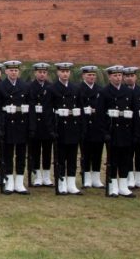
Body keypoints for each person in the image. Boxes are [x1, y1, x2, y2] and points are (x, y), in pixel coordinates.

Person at [0, 60, 30, 195]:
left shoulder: (25, 86)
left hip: (21, 124)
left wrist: (30, 126)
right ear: (6, 71)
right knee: (7, 155)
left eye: (16, 70)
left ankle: (19, 182)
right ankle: (8, 181)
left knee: (21, 154)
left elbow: (29, 108)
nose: (13, 73)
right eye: (11, 70)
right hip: (7, 124)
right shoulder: (0, 87)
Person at [101, 65, 138, 198]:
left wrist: (135, 132)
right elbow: (101, 115)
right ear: (110, 77)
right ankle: (113, 185)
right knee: (113, 160)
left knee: (126, 159)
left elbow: (135, 114)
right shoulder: (105, 92)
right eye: (115, 75)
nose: (118, 78)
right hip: (113, 131)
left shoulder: (129, 92)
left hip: (126, 130)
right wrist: (105, 132)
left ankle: (123, 185)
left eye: (119, 75)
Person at [49, 62, 82, 195]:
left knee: (73, 157)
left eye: (67, 71)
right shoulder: (53, 89)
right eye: (62, 71)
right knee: (61, 157)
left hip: (73, 126)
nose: (65, 74)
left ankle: (71, 183)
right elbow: (48, 111)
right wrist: (51, 129)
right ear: (58, 73)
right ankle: (61, 182)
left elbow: (80, 108)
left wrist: (81, 127)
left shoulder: (75, 88)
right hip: (60, 127)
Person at [78, 65, 106, 189]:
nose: (91, 77)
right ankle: (86, 177)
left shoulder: (100, 90)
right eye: (89, 75)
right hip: (85, 125)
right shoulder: (79, 89)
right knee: (86, 153)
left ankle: (96, 177)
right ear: (83, 76)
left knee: (97, 152)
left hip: (97, 125)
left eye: (93, 75)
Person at [27, 62, 55, 187]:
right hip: (35, 123)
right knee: (35, 151)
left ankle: (46, 176)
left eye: (44, 72)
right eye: (40, 72)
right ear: (35, 73)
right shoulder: (30, 87)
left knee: (48, 151)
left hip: (47, 123)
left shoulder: (51, 87)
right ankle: (37, 176)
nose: (42, 74)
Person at [123, 67, 140, 189]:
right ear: (124, 78)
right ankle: (130, 178)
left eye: (132, 76)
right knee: (128, 154)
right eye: (127, 76)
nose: (129, 78)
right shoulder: (122, 91)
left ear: (136, 77)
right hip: (127, 128)